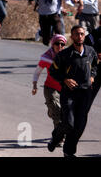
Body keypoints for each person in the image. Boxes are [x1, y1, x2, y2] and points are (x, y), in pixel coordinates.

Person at [47, 25, 97, 157]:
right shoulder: (64, 54)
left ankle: (68, 152)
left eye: (81, 34)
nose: (79, 37)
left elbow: (96, 65)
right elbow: (53, 71)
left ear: (84, 35)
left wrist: (92, 76)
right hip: (69, 93)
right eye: (76, 34)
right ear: (72, 36)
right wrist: (64, 79)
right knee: (69, 123)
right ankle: (56, 137)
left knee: (79, 127)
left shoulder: (90, 51)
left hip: (85, 93)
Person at [32, 34, 67, 130]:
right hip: (51, 88)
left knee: (64, 113)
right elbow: (37, 72)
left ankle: (51, 111)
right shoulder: (46, 58)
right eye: (57, 43)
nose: (59, 46)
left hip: (65, 89)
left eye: (62, 44)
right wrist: (35, 85)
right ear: (52, 44)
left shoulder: (69, 56)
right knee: (58, 111)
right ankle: (59, 137)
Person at [84, 15, 101, 111]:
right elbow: (84, 49)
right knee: (86, 103)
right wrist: (94, 55)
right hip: (95, 72)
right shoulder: (93, 35)